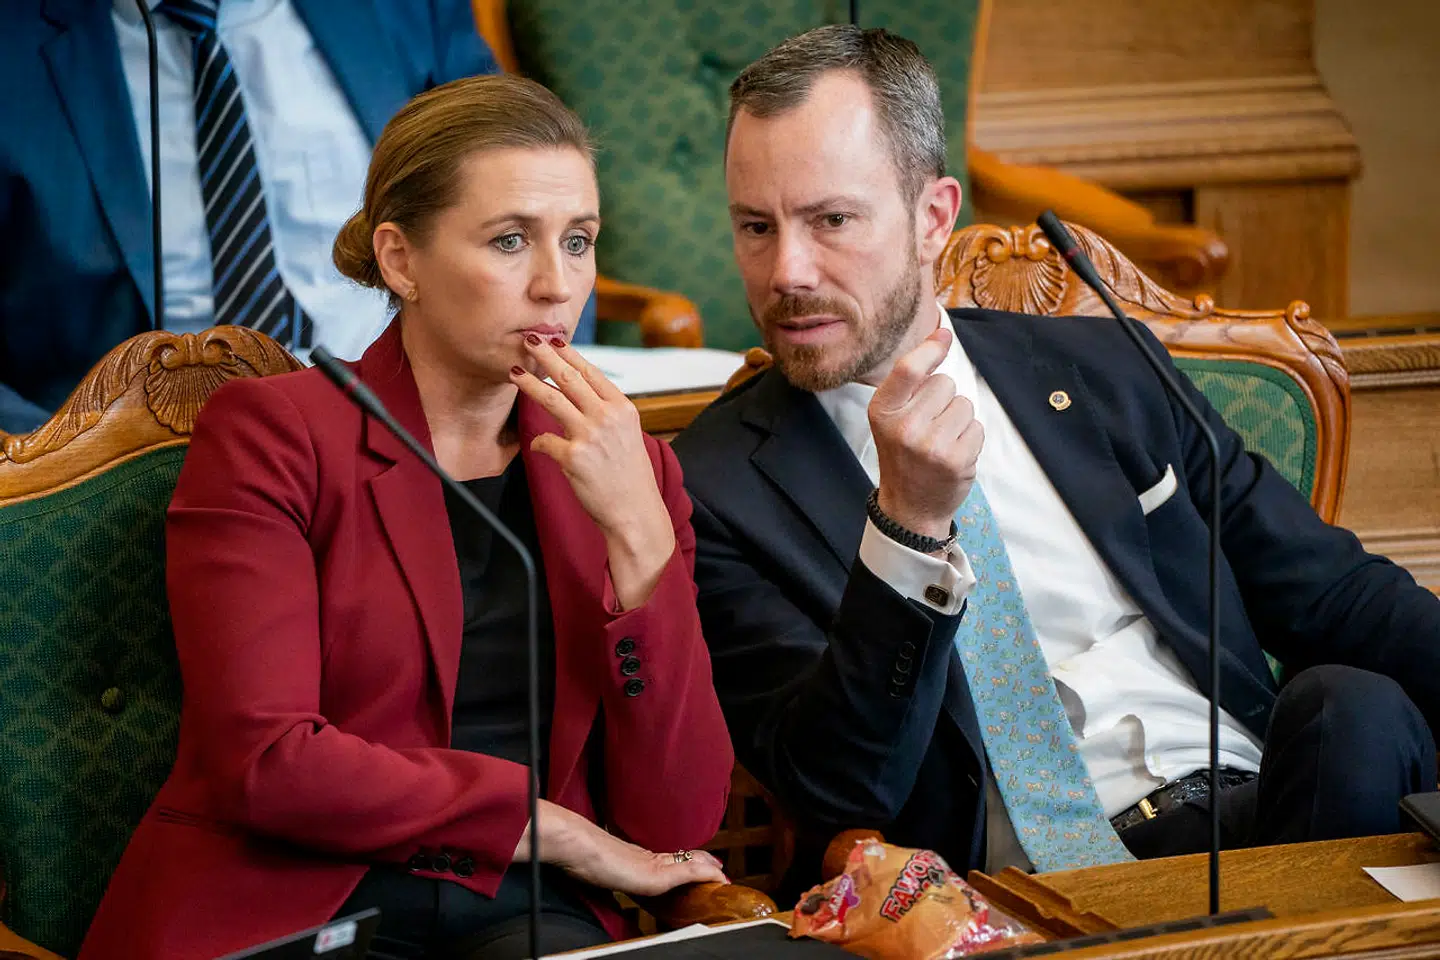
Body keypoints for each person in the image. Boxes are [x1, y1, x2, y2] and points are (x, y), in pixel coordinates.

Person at [672, 25, 1440, 894]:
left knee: (1355, 709)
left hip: (1262, 817)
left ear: (933, 218)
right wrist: (908, 531)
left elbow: (1337, 594)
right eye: (755, 226)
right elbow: (839, 784)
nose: (787, 270)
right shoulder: (718, 483)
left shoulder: (1103, 368)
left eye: (831, 220)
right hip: (1011, 890)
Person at [79, 75, 732, 960]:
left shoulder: (633, 469)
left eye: (578, 242)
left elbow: (677, 819)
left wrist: (641, 537)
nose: (556, 286)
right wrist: (551, 829)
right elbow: (268, 763)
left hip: (526, 919)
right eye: (510, 241)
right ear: (400, 260)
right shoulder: (276, 436)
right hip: (300, 903)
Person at [0, 0, 597, 435]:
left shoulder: (408, 10)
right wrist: (56, 461)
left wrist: (540, 384)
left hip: (416, 422)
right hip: (129, 460)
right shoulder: (16, 42)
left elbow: (544, 199)